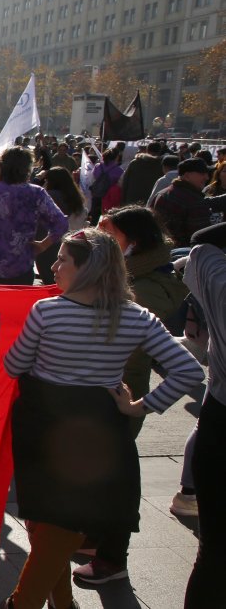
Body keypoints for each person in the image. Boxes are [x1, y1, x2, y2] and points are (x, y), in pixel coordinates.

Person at [1, 229, 204, 609]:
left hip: (44, 422)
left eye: (63, 260)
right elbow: (188, 371)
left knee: (50, 520)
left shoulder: (46, 311)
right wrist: (138, 406)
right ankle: (62, 602)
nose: (54, 266)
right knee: (60, 522)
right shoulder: (137, 317)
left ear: (87, 270)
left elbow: (14, 365)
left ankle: (22, 603)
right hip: (99, 427)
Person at [64, 205, 191, 585]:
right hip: (97, 391)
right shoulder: (123, 278)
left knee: (113, 475)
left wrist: (141, 406)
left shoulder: (144, 291)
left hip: (118, 389)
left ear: (130, 240)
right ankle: (94, 539)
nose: (95, 233)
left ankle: (109, 554)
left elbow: (182, 367)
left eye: (106, 229)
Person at [181, 221, 226, 608]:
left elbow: (201, 244)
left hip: (219, 419)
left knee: (214, 550)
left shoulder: (214, 272)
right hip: (219, 420)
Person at [0, 147, 68, 285]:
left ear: (0, 165)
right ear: (27, 168)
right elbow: (61, 223)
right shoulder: (36, 193)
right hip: (22, 266)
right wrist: (43, 245)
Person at [151, 158, 226, 247]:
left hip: (163, 250)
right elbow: (202, 238)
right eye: (202, 174)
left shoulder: (162, 193)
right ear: (187, 176)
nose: (207, 177)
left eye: (206, 173)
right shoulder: (194, 201)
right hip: (185, 253)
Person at [34, 167, 88, 285]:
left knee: (49, 279)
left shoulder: (49, 196)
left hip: (47, 242)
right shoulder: (75, 196)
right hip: (70, 242)